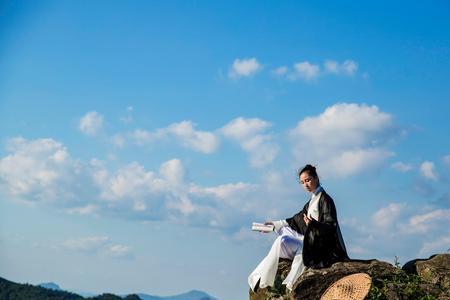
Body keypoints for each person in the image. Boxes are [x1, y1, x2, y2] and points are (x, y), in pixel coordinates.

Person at [248, 164, 349, 292]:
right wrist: (273, 225)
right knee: (282, 240)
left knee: (293, 245)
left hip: (320, 247)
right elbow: (295, 220)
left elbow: (331, 225)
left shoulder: (325, 200)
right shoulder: (311, 201)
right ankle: (260, 278)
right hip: (309, 240)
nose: (306, 185)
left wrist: (313, 224)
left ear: (316, 178)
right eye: (302, 182)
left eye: (308, 180)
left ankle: (283, 283)